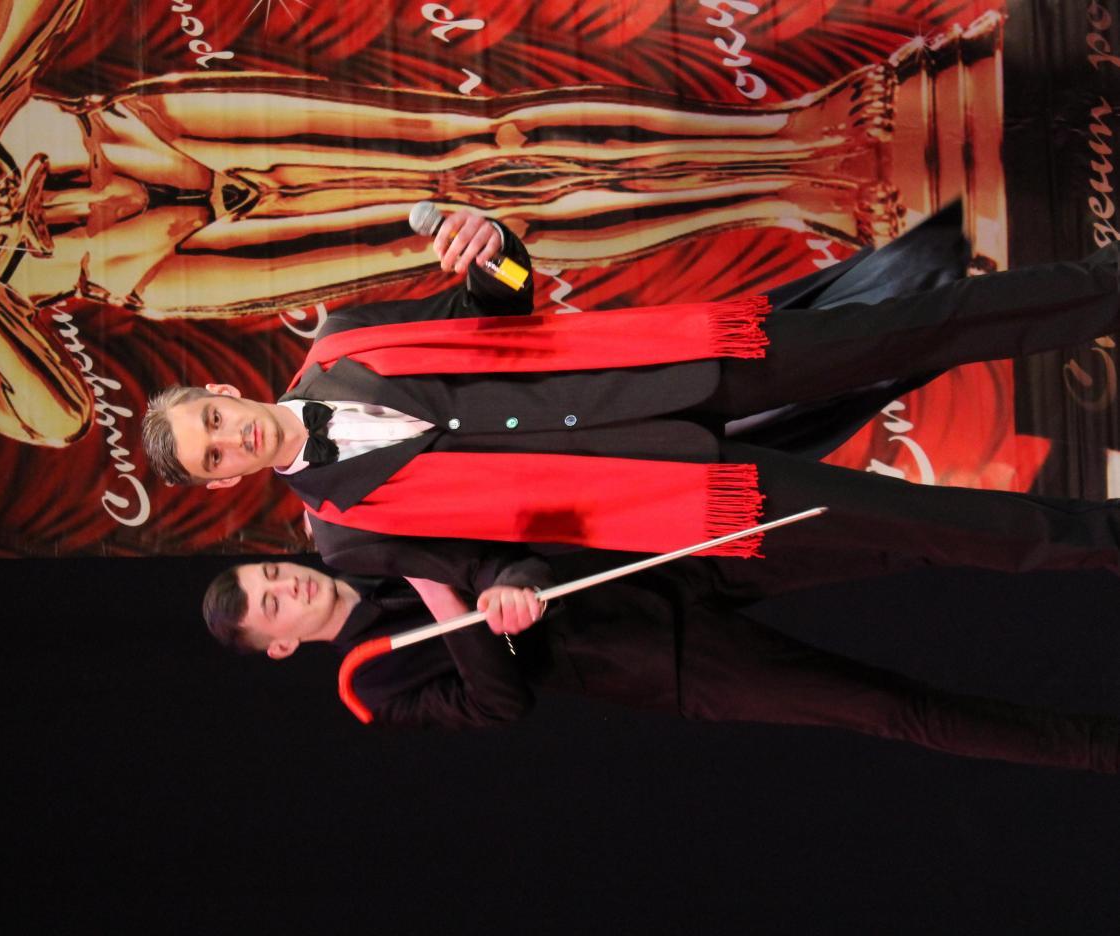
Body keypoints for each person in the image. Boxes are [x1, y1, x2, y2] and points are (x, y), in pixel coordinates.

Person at [144, 207, 1120, 596]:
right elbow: (490, 563)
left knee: (924, 324)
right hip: (673, 492)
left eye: (214, 420)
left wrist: (494, 245)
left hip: (677, 363)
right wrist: (510, 592)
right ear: (223, 483)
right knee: (927, 523)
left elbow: (499, 301)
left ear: (223, 391)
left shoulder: (346, 337)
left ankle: (1104, 286)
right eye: (214, 455)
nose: (233, 438)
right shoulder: (345, 532)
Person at [201, 557, 1119, 773]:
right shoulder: (368, 688)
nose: (289, 588)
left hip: (653, 570)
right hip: (668, 665)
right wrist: (451, 606)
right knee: (894, 711)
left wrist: (512, 579)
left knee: (898, 536)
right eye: (272, 606)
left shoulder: (366, 545)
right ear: (278, 645)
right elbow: (499, 704)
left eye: (272, 574)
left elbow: (502, 543)